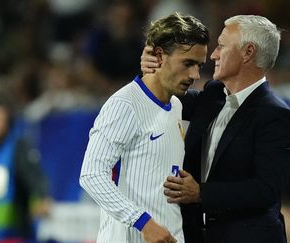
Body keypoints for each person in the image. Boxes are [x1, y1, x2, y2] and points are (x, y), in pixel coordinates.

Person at [141, 15, 290, 243]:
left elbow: (265, 190)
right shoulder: (213, 94)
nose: (213, 54)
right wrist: (153, 71)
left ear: (248, 52)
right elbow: (166, 99)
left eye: (222, 46)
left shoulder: (275, 116)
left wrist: (200, 193)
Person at [79, 12, 209, 243]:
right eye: (187, 63)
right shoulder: (124, 105)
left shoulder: (177, 106)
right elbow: (91, 175)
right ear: (158, 55)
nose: (194, 75)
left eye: (199, 66)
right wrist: (144, 222)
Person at [0, 102, 52, 242]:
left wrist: (42, 197)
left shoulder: (18, 147)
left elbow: (34, 175)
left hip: (14, 233)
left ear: (7, 122)